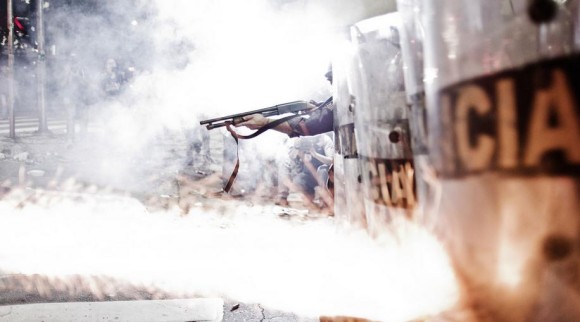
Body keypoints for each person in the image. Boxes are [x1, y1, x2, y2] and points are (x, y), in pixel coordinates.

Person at [235, 66, 334, 137]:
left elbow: (306, 127)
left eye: (331, 79)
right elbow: (327, 109)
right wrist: (316, 107)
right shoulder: (338, 100)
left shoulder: (340, 103)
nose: (330, 83)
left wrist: (265, 122)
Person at [275, 134, 334, 208]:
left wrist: (315, 154)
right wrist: (297, 149)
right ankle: (284, 197)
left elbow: (331, 161)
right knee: (298, 179)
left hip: (323, 176)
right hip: (307, 176)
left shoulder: (325, 139)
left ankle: (325, 201)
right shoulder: (298, 140)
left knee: (323, 170)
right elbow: (290, 160)